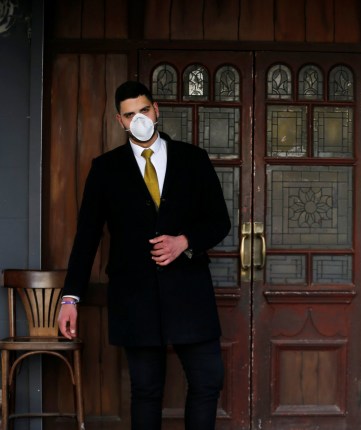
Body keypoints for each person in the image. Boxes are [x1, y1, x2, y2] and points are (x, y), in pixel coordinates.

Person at [58, 81, 231, 429]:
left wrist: (185, 241)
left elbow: (220, 221)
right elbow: (87, 236)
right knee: (146, 390)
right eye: (129, 114)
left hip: (189, 292)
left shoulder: (193, 159)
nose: (139, 119)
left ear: (156, 110)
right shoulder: (105, 169)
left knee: (207, 381)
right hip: (134, 296)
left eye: (143, 110)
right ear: (119, 121)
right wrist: (70, 297)